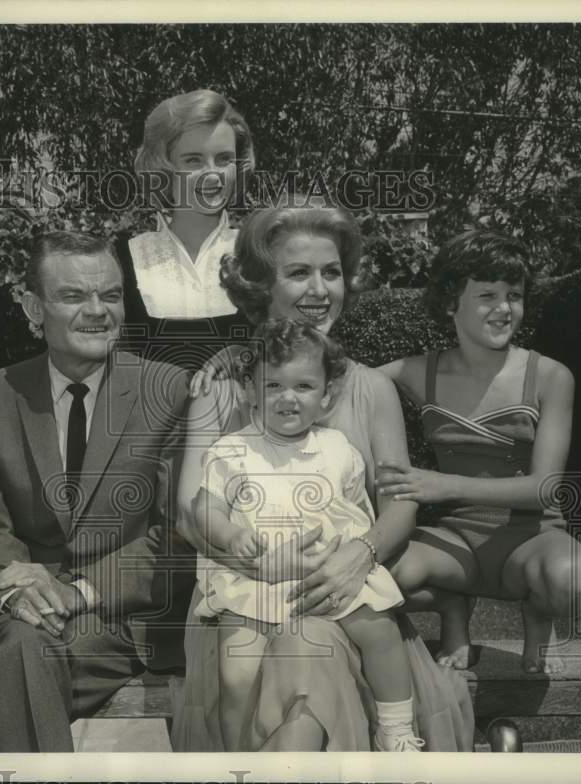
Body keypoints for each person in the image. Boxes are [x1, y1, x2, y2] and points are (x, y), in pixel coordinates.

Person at [173, 205, 475, 752]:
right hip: (244, 606)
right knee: (302, 648)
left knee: (316, 646)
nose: (319, 289)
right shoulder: (222, 389)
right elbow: (187, 514)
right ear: (261, 286)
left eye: (331, 272)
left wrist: (357, 556)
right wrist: (269, 565)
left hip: (348, 590)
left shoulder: (371, 390)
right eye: (298, 273)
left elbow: (400, 506)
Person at [0, 230, 194, 752]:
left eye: (111, 295)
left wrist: (79, 590)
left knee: (19, 666)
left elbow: (178, 533)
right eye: (73, 296)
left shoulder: (170, 390)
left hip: (129, 618)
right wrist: (17, 585)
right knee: (23, 647)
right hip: (29, 612)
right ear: (32, 307)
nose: (98, 311)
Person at [191, 318, 423, 752]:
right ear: (249, 390)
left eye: (303, 387)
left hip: (327, 577)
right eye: (273, 385)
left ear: (326, 395)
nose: (288, 398)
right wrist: (228, 534)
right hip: (255, 580)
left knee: (379, 630)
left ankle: (396, 730)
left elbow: (359, 509)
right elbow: (203, 507)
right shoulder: (231, 450)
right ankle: (236, 755)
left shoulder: (338, 448)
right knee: (235, 671)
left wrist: (351, 555)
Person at [378, 229, 581, 674]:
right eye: (487, 295)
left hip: (532, 538)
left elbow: (545, 489)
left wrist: (441, 484)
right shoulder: (418, 373)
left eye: (514, 294)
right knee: (375, 581)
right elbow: (327, 376)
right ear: (449, 303)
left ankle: (538, 612)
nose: (504, 308)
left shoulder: (552, 377)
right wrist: (235, 362)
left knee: (572, 584)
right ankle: (451, 605)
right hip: (456, 544)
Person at [114, 89, 254, 372]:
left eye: (224, 159)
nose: (213, 174)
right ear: (163, 168)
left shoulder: (259, 252)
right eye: (194, 160)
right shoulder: (124, 256)